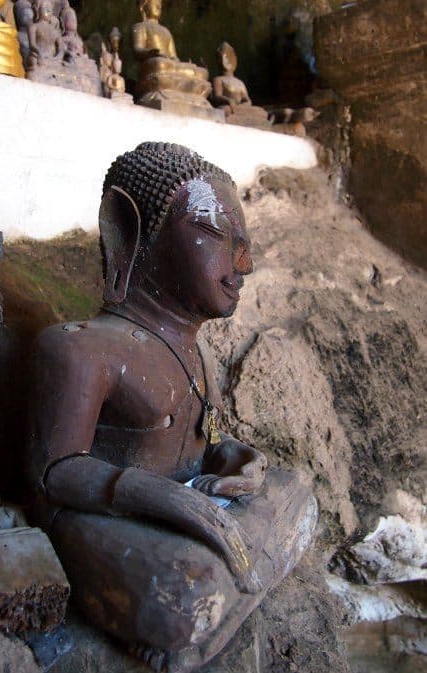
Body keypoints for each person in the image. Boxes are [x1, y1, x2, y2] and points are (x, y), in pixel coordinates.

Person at [29, 142, 317, 672]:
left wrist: (236, 459)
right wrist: (165, 499)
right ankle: (202, 622)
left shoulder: (198, 349)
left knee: (299, 495)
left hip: (194, 503)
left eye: (243, 243)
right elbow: (53, 472)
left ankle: (201, 629)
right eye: (213, 234)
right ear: (132, 233)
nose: (243, 265)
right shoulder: (82, 347)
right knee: (188, 589)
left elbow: (201, 437)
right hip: (115, 517)